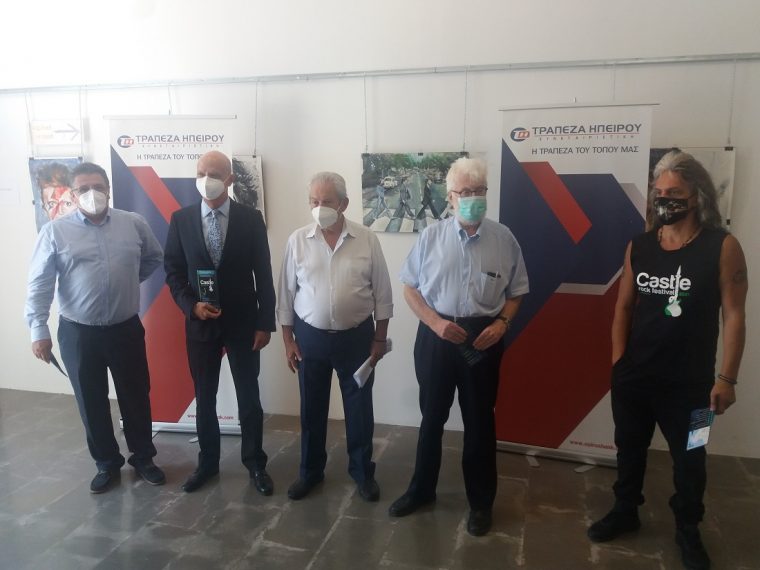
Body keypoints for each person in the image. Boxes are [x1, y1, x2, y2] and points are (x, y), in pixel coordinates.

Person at [587, 151, 748, 570]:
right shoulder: (640, 246)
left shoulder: (722, 246)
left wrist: (727, 378)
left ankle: (688, 529)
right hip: (635, 379)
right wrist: (618, 363)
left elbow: (734, 315)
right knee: (629, 449)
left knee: (692, 459)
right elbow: (623, 308)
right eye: (658, 192)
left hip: (695, 388)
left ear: (697, 195)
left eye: (674, 192)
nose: (664, 200)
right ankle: (626, 510)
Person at [388, 157, 528, 537]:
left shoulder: (504, 239)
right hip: (437, 335)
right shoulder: (430, 238)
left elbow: (517, 292)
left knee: (480, 421)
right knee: (431, 418)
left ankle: (481, 503)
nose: (472, 198)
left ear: (486, 193)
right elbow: (410, 288)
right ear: (450, 197)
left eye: (478, 191)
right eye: (464, 192)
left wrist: (502, 324)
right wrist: (434, 323)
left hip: (482, 337)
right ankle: (421, 491)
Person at [25, 162, 165, 493]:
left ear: (108, 190)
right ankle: (106, 463)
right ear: (73, 195)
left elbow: (153, 258)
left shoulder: (134, 224)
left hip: (125, 329)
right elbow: (40, 284)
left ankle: (143, 458)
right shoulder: (55, 232)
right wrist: (38, 330)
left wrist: (126, 282)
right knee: (91, 401)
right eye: (84, 189)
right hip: (79, 332)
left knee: (135, 396)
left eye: (98, 187)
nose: (92, 193)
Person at [164, 151, 276, 495]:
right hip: (201, 325)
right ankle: (207, 463)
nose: (206, 179)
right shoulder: (181, 220)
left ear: (229, 179)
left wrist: (265, 323)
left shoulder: (250, 219)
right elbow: (173, 272)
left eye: (213, 174)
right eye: (201, 173)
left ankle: (255, 463)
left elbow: (264, 274)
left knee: (249, 398)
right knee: (205, 397)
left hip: (244, 324)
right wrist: (191, 306)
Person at [277, 171, 393, 502]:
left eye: (326, 201)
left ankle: (362, 473)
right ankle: (310, 472)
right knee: (311, 409)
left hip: (356, 339)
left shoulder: (367, 239)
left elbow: (383, 294)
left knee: (359, 409)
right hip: (309, 338)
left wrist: (379, 339)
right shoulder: (298, 240)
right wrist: (288, 341)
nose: (319, 207)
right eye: (313, 201)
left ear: (343, 203)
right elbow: (285, 295)